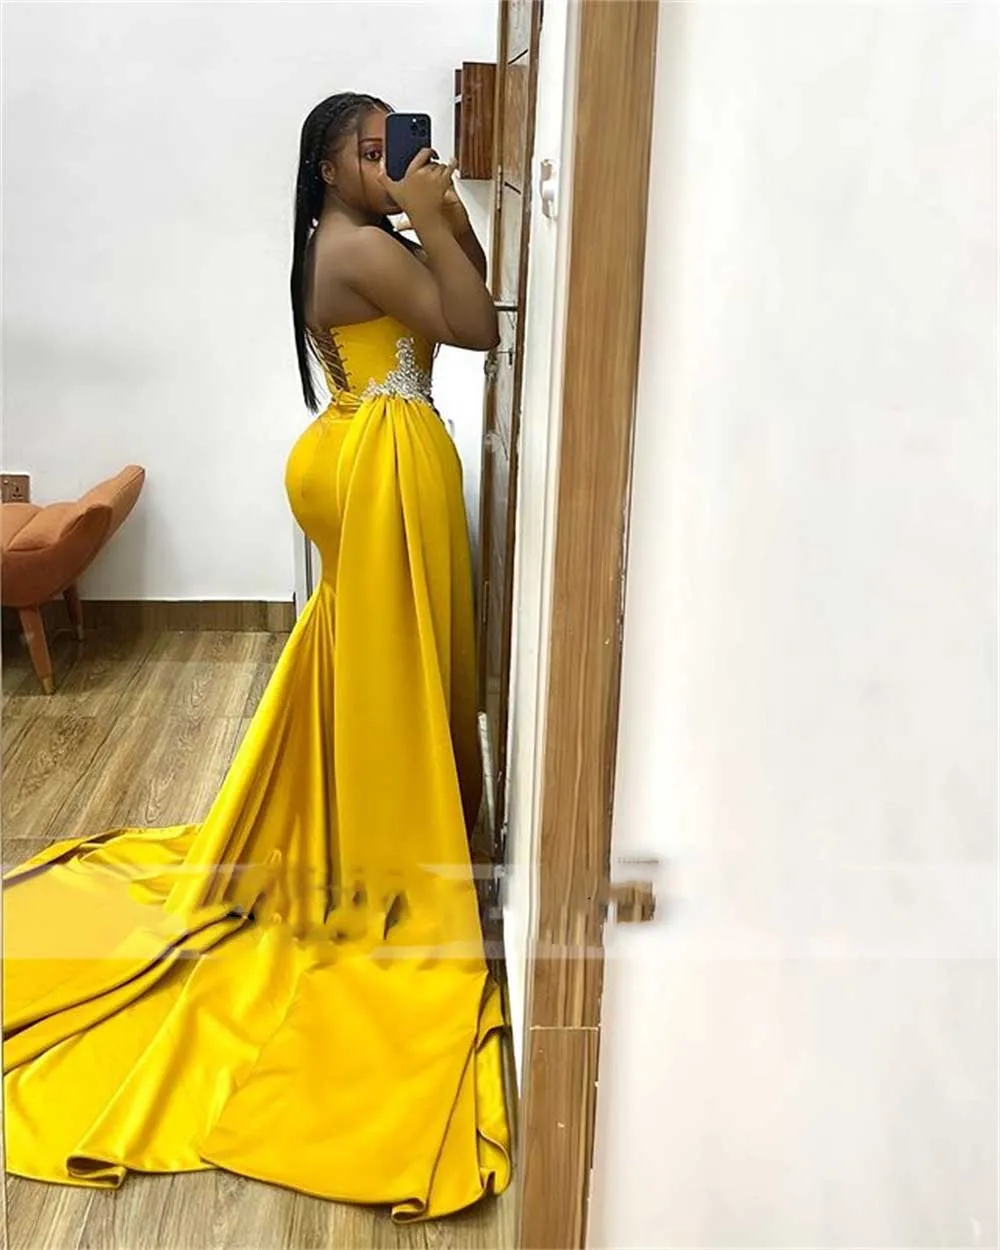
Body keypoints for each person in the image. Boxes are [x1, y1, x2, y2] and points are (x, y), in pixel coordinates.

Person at [3, 91, 511, 1223]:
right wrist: (435, 218)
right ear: (330, 170)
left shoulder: (360, 238)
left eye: (394, 144)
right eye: (370, 151)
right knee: (386, 670)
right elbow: (477, 329)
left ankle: (372, 826)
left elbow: (464, 295)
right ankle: (389, 854)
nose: (389, 161)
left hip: (366, 450)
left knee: (366, 661)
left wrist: (440, 217)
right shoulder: (356, 247)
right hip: (379, 461)